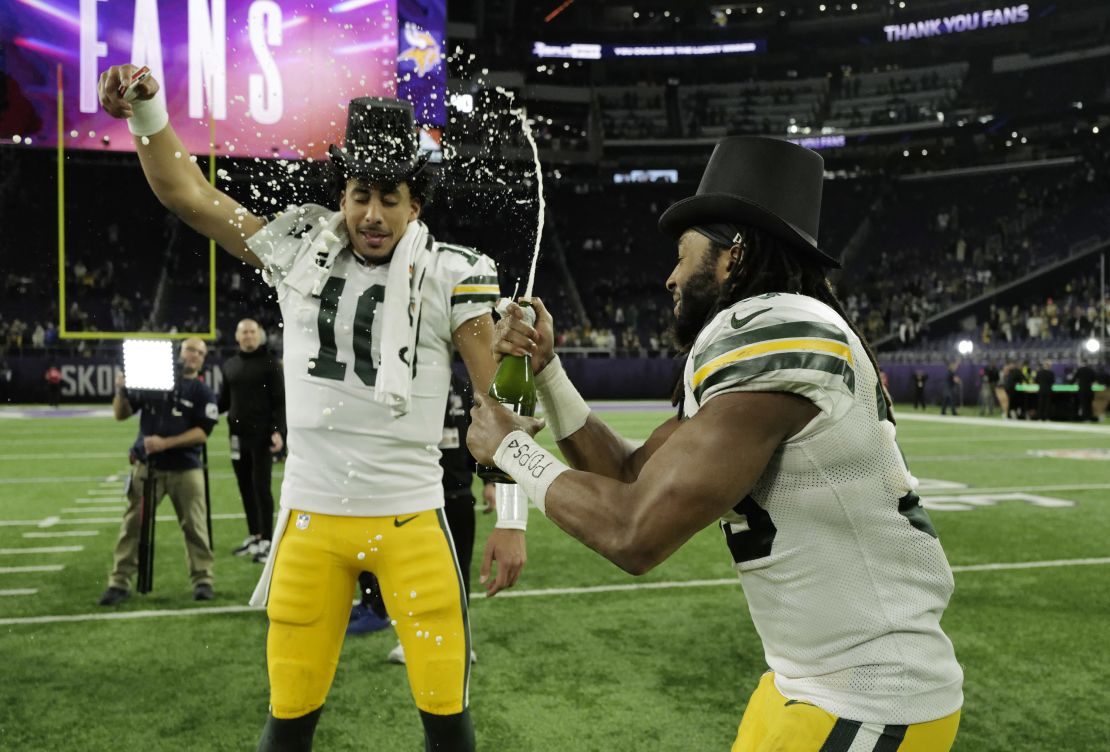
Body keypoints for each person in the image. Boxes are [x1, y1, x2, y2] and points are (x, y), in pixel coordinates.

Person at [469, 137, 963, 750]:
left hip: (868, 698)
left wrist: (509, 450)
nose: (671, 275)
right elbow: (626, 475)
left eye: (684, 254)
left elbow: (634, 534)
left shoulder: (777, 330)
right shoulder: (766, 344)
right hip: (805, 683)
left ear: (737, 253)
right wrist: (547, 371)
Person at [99, 66, 525, 752]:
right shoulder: (301, 252)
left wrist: (511, 519)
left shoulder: (454, 269)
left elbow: (497, 400)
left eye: (391, 197)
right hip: (311, 516)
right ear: (342, 194)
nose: (373, 215)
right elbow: (192, 197)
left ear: (417, 203)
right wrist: (148, 114)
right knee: (288, 721)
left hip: (412, 515)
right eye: (361, 195)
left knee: (447, 719)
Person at [349, 373, 499, 666]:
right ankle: (413, 639)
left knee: (457, 570)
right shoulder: (406, 377)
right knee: (413, 573)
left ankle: (460, 640)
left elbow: (477, 434)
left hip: (457, 493)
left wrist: (489, 481)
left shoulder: (463, 382)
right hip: (413, 494)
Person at [98, 338, 218, 605]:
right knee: (132, 525)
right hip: (148, 466)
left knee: (195, 527)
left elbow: (202, 434)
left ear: (203, 360)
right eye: (190, 349)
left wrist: (165, 443)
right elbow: (121, 414)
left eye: (200, 352)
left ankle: (203, 579)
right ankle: (119, 582)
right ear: (180, 351)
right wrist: (120, 391)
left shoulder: (202, 392)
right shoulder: (153, 380)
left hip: (186, 468)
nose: (194, 355)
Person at [219, 318, 286, 563]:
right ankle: (254, 535)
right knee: (245, 487)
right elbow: (223, 402)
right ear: (237, 337)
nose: (248, 336)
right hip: (237, 437)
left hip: (262, 437)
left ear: (259, 336)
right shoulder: (230, 365)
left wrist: (279, 431)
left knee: (261, 486)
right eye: (244, 332)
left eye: (252, 332)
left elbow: (280, 402)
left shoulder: (270, 363)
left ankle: (267, 539)